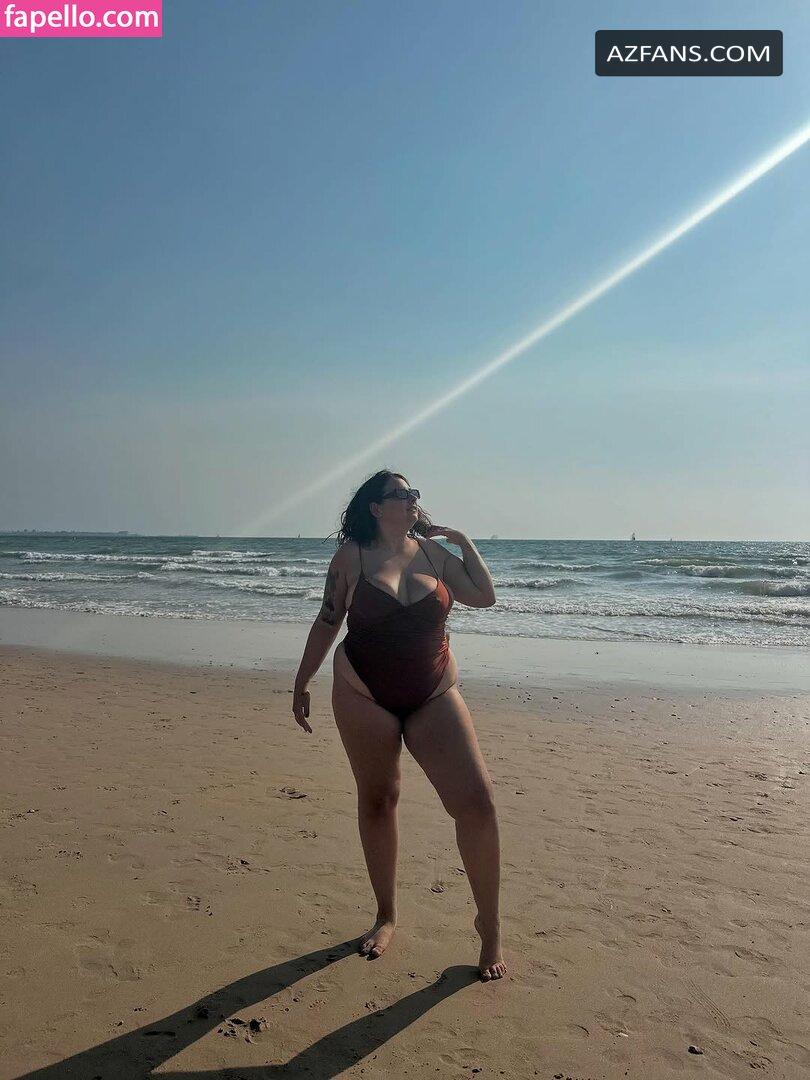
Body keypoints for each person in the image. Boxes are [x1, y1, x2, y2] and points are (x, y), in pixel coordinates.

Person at [292, 470, 507, 981]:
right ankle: (385, 915)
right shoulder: (350, 559)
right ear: (375, 507)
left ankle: (490, 925)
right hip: (363, 691)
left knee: (477, 803)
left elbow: (484, 596)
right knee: (379, 799)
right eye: (401, 494)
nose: (412, 500)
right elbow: (328, 620)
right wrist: (302, 682)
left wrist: (464, 542)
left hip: (433, 691)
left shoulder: (435, 555)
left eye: (415, 494)